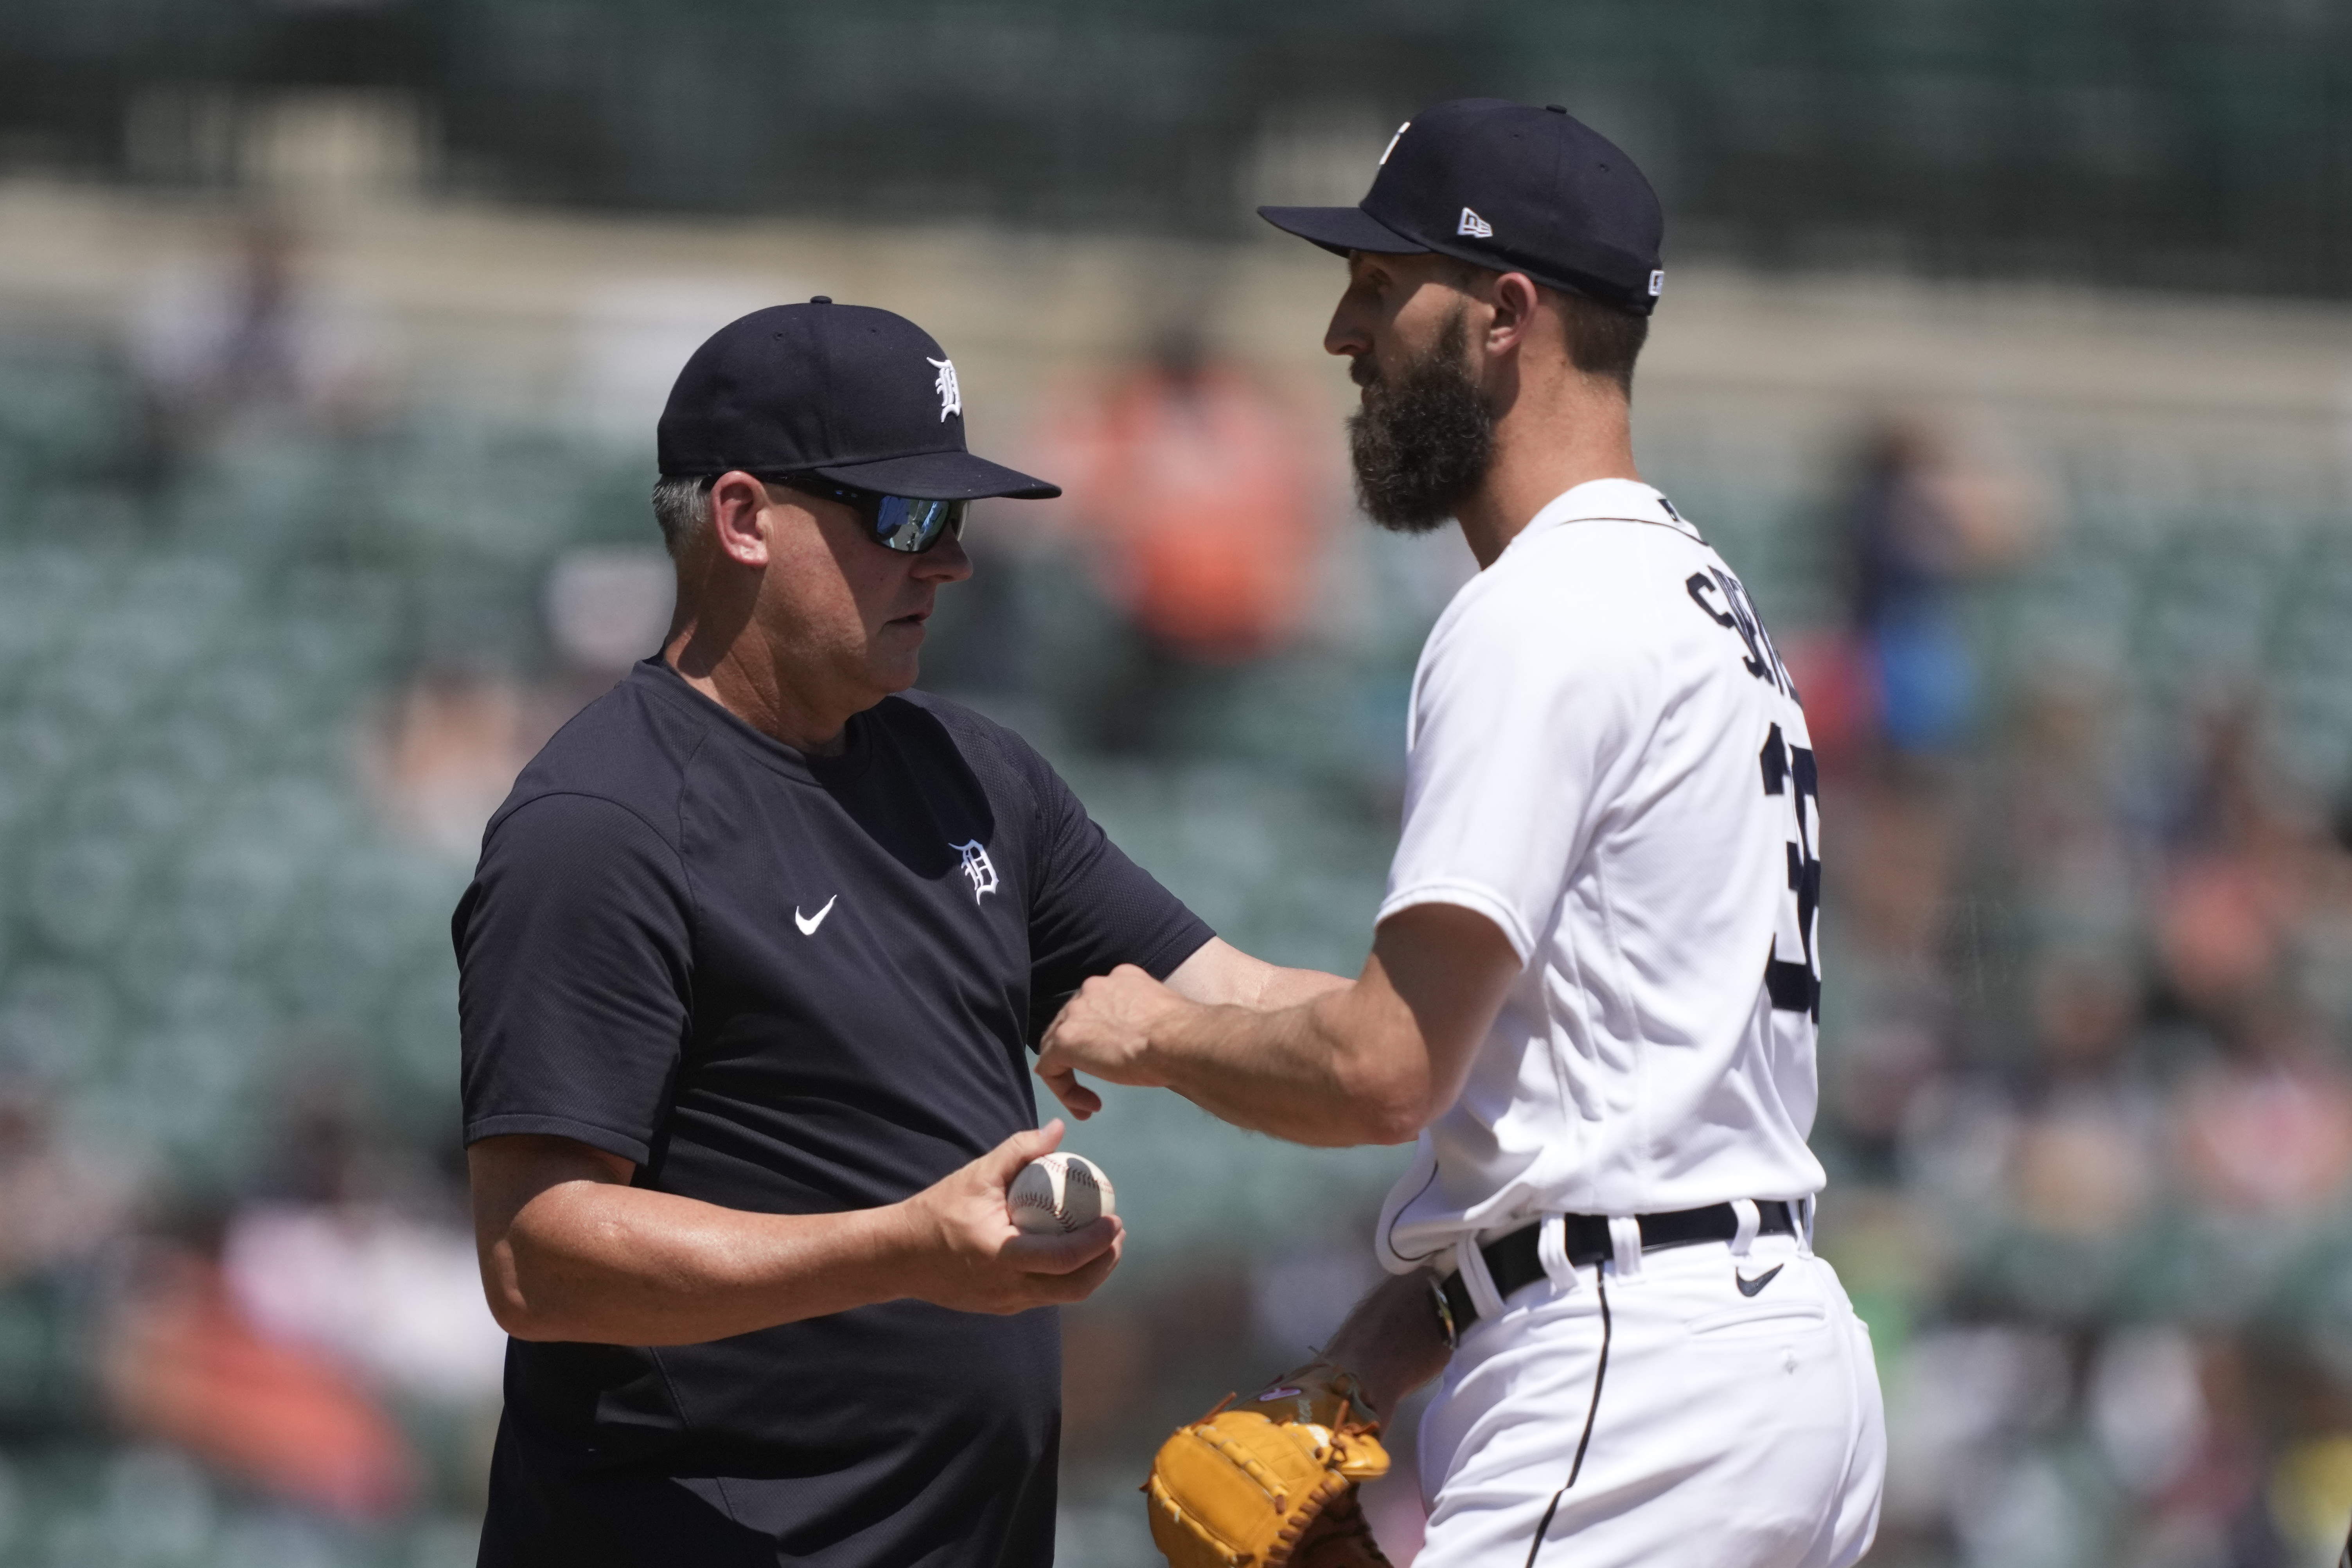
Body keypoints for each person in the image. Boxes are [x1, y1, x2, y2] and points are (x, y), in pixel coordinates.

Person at [1038, 101, 1887, 1567]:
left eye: (1381, 287)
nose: (1340, 335)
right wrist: (1358, 1364)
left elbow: (1380, 1071)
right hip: (1759, 1351)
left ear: (1505, 316)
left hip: (1635, 1376)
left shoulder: (1538, 612)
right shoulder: (1698, 597)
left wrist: (1157, 1039)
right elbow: (1540, 1088)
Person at [455, 299, 1342, 1566]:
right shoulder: (602, 823)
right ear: (744, 518)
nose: (950, 562)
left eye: (957, 521)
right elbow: (536, 1256)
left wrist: (1479, 1042)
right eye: (906, 517)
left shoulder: (976, 772)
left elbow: (1241, 994)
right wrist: (907, 1249)